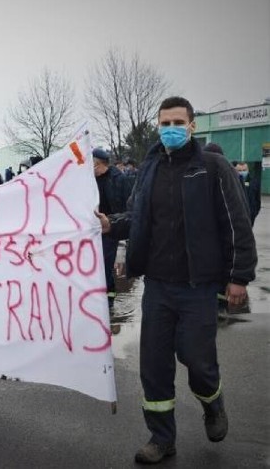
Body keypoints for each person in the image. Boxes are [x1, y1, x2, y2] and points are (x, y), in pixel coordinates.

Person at [99, 96, 256, 464]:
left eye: (176, 122)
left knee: (197, 361)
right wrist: (111, 224)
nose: (169, 129)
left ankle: (212, 402)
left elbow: (237, 224)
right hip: (158, 287)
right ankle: (161, 437)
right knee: (153, 366)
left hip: (198, 288)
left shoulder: (213, 167)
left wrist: (239, 277)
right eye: (164, 123)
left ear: (191, 126)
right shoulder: (150, 168)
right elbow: (137, 218)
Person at [91, 147, 131, 309]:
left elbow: (126, 205)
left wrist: (119, 224)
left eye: (92, 164)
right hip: (94, 228)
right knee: (95, 265)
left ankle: (109, 300)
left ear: (99, 164)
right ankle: (97, 297)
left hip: (111, 228)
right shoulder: (89, 179)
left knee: (106, 265)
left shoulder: (118, 179)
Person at [235, 161, 261, 226]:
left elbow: (258, 201)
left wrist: (253, 213)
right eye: (239, 170)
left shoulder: (254, 182)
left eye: (244, 170)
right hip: (235, 217)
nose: (242, 172)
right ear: (235, 171)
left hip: (250, 216)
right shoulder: (231, 182)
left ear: (248, 170)